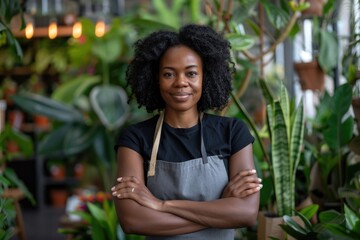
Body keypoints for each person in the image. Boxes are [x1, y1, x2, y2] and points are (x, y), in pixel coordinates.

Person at [111, 24, 262, 240]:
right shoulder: (135, 139)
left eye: (191, 73)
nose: (181, 82)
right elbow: (133, 220)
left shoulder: (233, 133)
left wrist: (161, 205)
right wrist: (219, 209)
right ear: (156, 78)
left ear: (205, 77)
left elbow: (246, 214)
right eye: (169, 74)